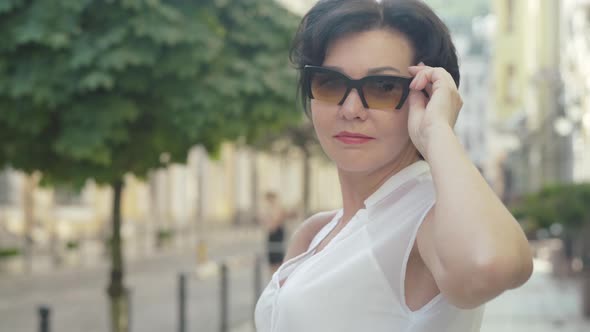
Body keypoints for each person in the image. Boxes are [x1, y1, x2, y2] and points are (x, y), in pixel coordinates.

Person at [254, 1, 534, 331]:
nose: (351, 108)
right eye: (330, 82)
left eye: (383, 87)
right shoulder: (315, 233)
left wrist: (436, 132)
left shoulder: (426, 221)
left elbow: (490, 264)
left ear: (427, 96)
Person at [260, 191, 291, 274]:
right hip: (272, 234)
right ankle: (273, 277)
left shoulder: (278, 208)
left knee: (278, 257)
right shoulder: (268, 209)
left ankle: (278, 276)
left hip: (277, 234)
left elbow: (276, 222)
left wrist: (270, 222)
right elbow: (264, 221)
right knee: (272, 258)